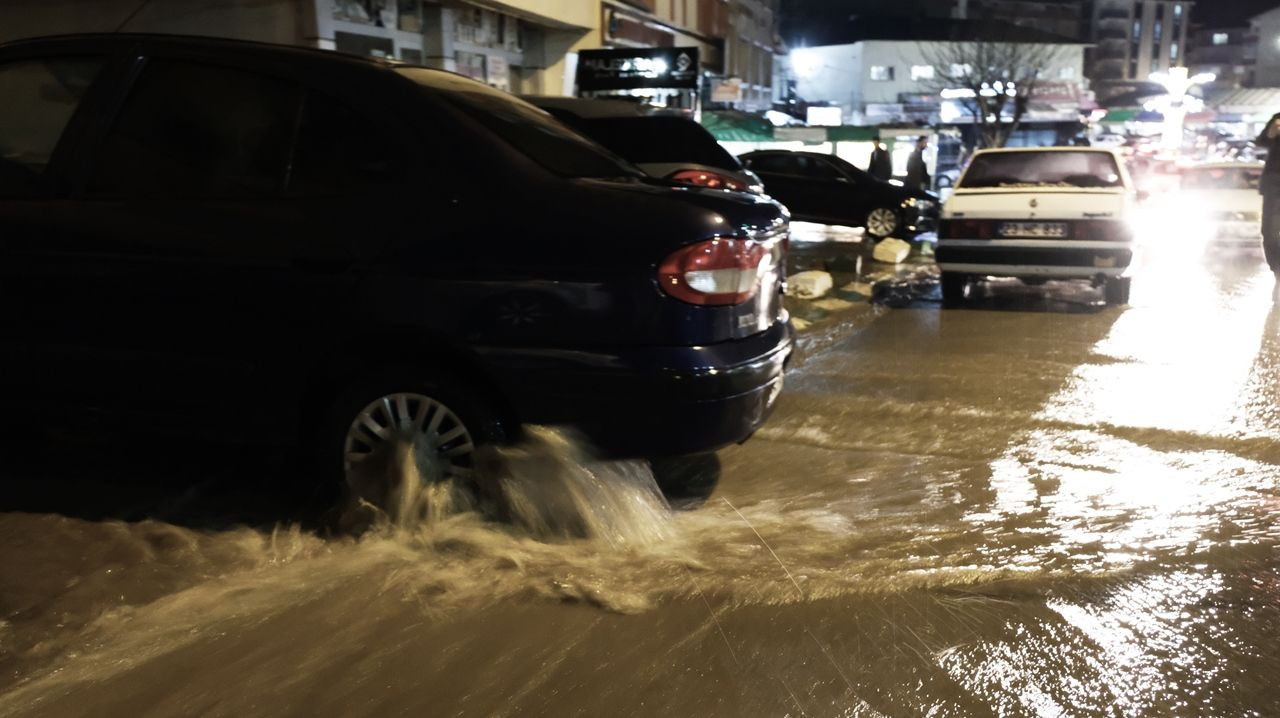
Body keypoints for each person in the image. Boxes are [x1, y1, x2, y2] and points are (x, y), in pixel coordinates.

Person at [1254, 112, 1280, 297]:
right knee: (1269, 233)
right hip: (1274, 186)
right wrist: (1271, 132)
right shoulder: (1278, 118)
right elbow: (1261, 141)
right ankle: (1278, 274)